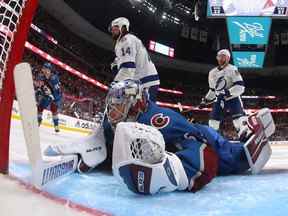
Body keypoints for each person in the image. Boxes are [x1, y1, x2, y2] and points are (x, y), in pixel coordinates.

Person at [45, 80, 275, 195]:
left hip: (203, 138)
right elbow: (104, 143)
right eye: (111, 104)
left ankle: (248, 135)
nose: (112, 110)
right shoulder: (115, 121)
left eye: (118, 104)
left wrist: (174, 171)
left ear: (135, 103)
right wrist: (88, 151)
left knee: (236, 160)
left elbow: (204, 153)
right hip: (188, 136)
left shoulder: (158, 118)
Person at [200, 49, 248, 140]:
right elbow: (213, 90)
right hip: (219, 99)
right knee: (213, 122)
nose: (221, 58)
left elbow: (241, 87)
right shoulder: (212, 73)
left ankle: (245, 136)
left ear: (228, 58)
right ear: (217, 58)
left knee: (239, 120)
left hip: (233, 98)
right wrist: (205, 100)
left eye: (224, 56)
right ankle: (213, 139)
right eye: (220, 56)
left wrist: (228, 92)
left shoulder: (233, 69)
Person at [109, 17, 160, 102]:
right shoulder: (124, 41)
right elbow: (122, 62)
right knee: (128, 105)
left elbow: (128, 66)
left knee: (143, 110)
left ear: (123, 27)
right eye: (112, 29)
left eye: (115, 28)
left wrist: (117, 83)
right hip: (139, 83)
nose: (112, 31)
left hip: (146, 82)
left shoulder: (126, 40)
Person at [36, 62, 62, 132]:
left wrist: (53, 96)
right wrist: (39, 89)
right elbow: (40, 85)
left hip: (56, 96)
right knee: (40, 107)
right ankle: (38, 121)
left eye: (47, 69)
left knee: (54, 110)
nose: (45, 70)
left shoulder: (54, 78)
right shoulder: (41, 77)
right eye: (44, 68)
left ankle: (56, 125)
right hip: (47, 94)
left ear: (50, 70)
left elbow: (58, 91)